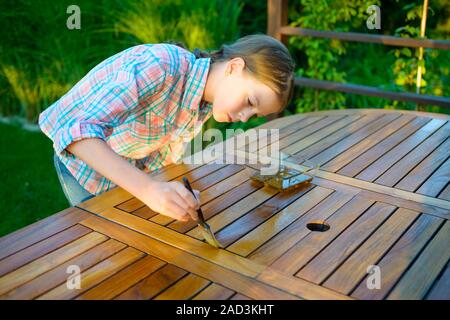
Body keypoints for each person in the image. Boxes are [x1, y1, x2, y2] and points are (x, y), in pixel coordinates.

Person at [38, 34, 296, 222]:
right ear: (235, 67)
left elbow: (163, 148)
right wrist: (149, 189)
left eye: (254, 115)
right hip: (86, 168)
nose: (244, 117)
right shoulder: (162, 66)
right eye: (250, 102)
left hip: (129, 165)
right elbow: (76, 132)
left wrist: (171, 189)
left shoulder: (204, 104)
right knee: (102, 248)